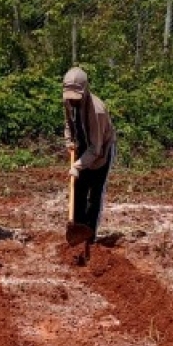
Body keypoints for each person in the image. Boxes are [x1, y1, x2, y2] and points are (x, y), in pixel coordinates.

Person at [62, 66, 116, 242]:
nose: (72, 101)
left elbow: (96, 147)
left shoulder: (97, 111)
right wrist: (69, 140)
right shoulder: (69, 102)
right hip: (83, 149)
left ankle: (90, 235)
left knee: (94, 195)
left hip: (100, 153)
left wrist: (77, 165)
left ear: (85, 91)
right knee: (78, 191)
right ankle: (76, 231)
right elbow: (68, 124)